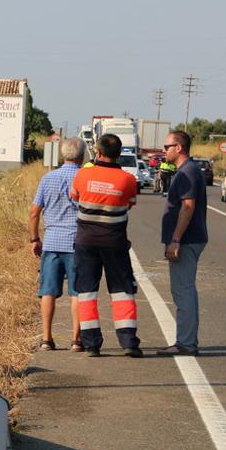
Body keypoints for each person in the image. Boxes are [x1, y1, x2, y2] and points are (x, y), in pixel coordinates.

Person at [70, 133, 143, 357]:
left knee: (87, 292)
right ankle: (128, 342)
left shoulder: (83, 174)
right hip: (115, 242)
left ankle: (92, 344)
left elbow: (74, 197)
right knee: (122, 291)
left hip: (86, 242)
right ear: (119, 154)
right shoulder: (128, 180)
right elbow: (130, 203)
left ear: (98, 152)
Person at [29, 137, 84, 351]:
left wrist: (34, 239)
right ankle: (76, 340)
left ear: (63, 155)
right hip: (77, 242)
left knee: (48, 291)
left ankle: (46, 338)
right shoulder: (84, 178)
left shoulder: (48, 178)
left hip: (52, 242)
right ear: (81, 156)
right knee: (77, 292)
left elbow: (34, 212)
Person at [158, 130, 207, 356]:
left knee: (183, 290)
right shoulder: (187, 171)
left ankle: (186, 343)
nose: (163, 150)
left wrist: (175, 239)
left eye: (167, 146)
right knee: (184, 290)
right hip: (188, 239)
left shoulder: (188, 172)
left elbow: (188, 207)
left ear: (179, 148)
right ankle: (186, 340)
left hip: (186, 240)